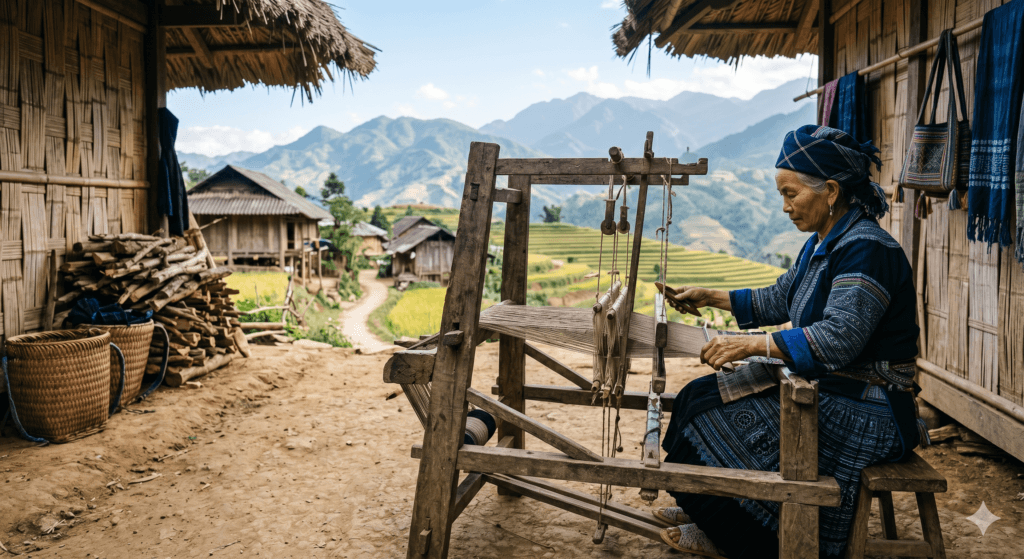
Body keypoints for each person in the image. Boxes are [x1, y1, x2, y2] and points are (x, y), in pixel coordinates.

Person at [655, 125, 923, 559]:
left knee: (714, 417)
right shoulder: (824, 241)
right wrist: (712, 297)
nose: (785, 207)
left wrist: (749, 346)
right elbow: (781, 297)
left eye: (791, 194)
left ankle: (740, 536)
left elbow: (838, 340)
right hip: (832, 385)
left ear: (831, 191)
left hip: (871, 404)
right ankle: (715, 513)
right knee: (697, 397)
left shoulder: (868, 250)